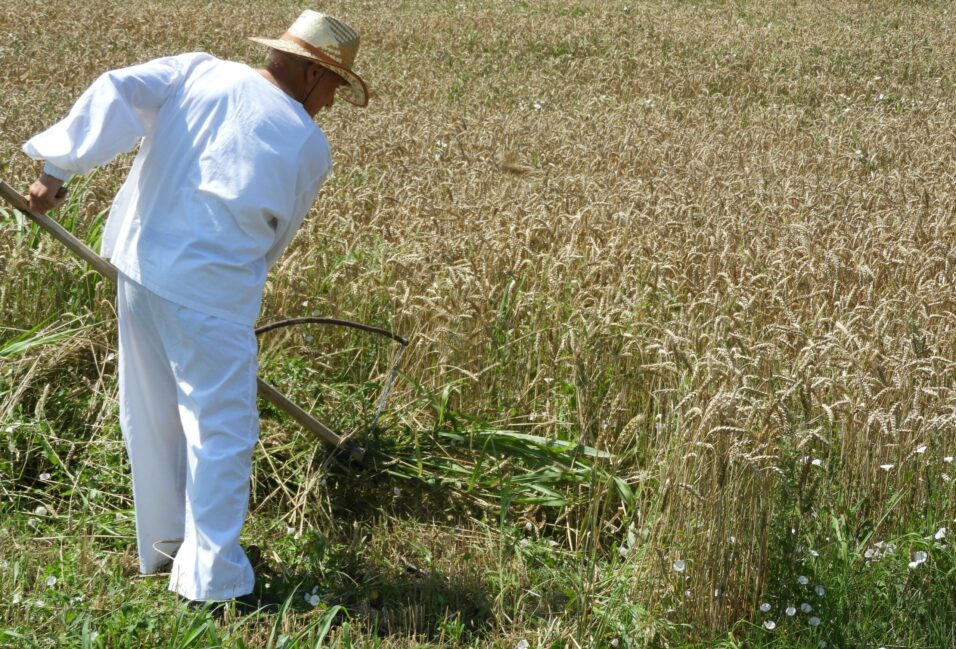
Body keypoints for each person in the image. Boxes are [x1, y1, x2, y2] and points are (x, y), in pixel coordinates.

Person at [22, 10, 368, 610]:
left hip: (138, 267)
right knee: (222, 433)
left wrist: (58, 169)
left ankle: (165, 547)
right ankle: (211, 582)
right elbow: (275, 237)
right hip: (211, 294)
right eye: (336, 87)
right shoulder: (309, 143)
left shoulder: (197, 71)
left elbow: (117, 90)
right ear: (313, 73)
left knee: (153, 413)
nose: (333, 103)